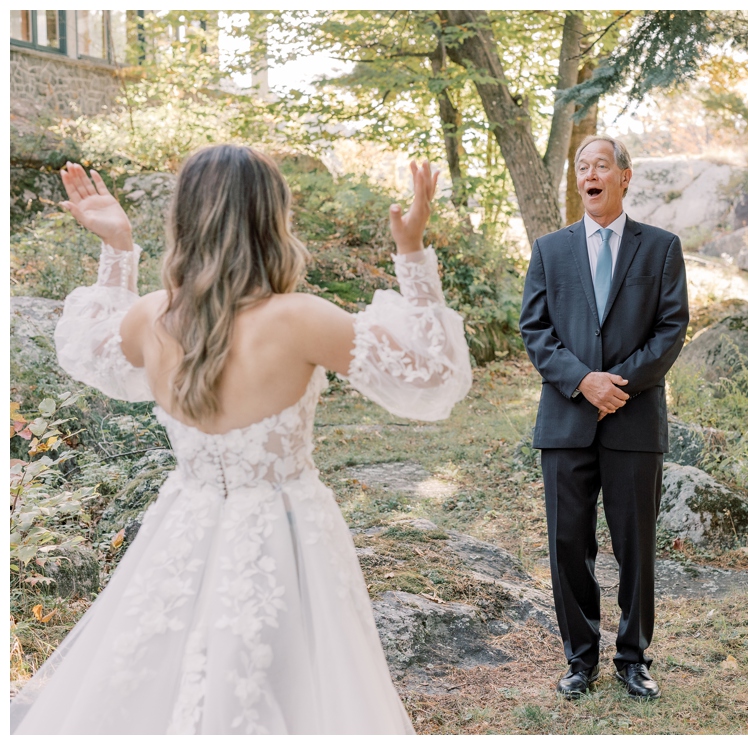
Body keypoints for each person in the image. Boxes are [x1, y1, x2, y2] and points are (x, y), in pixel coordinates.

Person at [11, 148, 469, 734]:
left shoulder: (153, 318)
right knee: (288, 691)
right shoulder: (301, 319)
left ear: (184, 221)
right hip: (288, 535)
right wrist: (411, 253)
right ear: (271, 219)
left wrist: (118, 250)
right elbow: (432, 377)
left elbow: (88, 345)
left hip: (183, 529)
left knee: (161, 685)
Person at [520, 135, 689, 700]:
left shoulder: (661, 248)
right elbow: (535, 329)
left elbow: (671, 329)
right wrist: (581, 381)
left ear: (625, 176)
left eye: (600, 166)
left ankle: (633, 658)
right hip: (565, 421)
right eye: (581, 167)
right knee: (568, 543)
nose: (589, 174)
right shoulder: (550, 249)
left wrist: (617, 385)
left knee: (635, 546)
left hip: (634, 420)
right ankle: (579, 658)